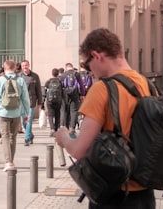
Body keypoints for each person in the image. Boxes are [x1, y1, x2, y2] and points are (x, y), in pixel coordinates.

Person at [54, 28, 154, 208]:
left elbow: (80, 150)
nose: (89, 72)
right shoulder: (147, 85)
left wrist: (65, 138)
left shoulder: (102, 89)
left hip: (114, 194)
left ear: (97, 55)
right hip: (145, 195)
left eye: (86, 65)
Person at [0, 59, 31, 171]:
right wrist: (26, 113)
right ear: (14, 68)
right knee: (13, 137)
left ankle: (8, 162)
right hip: (16, 112)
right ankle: (11, 161)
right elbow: (25, 99)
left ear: (4, 68)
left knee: (5, 136)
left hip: (2, 112)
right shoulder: (21, 80)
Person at [21, 59, 43, 146]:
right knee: (23, 121)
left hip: (31, 101)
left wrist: (40, 102)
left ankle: (26, 139)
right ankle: (30, 135)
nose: (24, 67)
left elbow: (39, 90)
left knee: (28, 120)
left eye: (26, 65)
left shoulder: (35, 76)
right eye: (23, 66)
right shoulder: (19, 76)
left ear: (29, 65)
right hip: (22, 102)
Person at [60, 62, 83, 131]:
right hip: (75, 94)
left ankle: (66, 127)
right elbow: (81, 85)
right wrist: (82, 94)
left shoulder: (63, 75)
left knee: (65, 111)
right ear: (72, 68)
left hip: (65, 95)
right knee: (74, 111)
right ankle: (72, 127)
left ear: (66, 68)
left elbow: (60, 86)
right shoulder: (76, 74)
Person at [43, 67, 65, 133]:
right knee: (57, 114)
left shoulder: (48, 82)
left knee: (50, 115)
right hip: (58, 100)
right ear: (58, 74)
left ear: (52, 74)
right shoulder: (60, 82)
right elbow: (63, 91)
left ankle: (52, 129)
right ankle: (56, 128)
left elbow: (44, 92)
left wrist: (43, 100)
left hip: (50, 100)